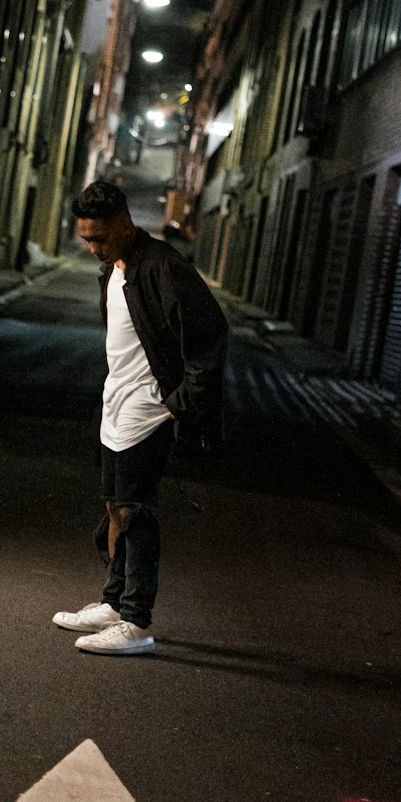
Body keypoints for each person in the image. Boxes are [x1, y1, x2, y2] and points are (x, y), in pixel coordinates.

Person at [54, 181, 227, 655]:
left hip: (149, 411)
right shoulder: (114, 267)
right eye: (87, 239)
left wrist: (179, 402)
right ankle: (114, 603)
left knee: (134, 509)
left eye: (100, 238)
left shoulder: (165, 268)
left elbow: (210, 335)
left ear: (126, 224)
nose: (93, 249)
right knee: (114, 504)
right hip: (118, 403)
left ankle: (137, 622)